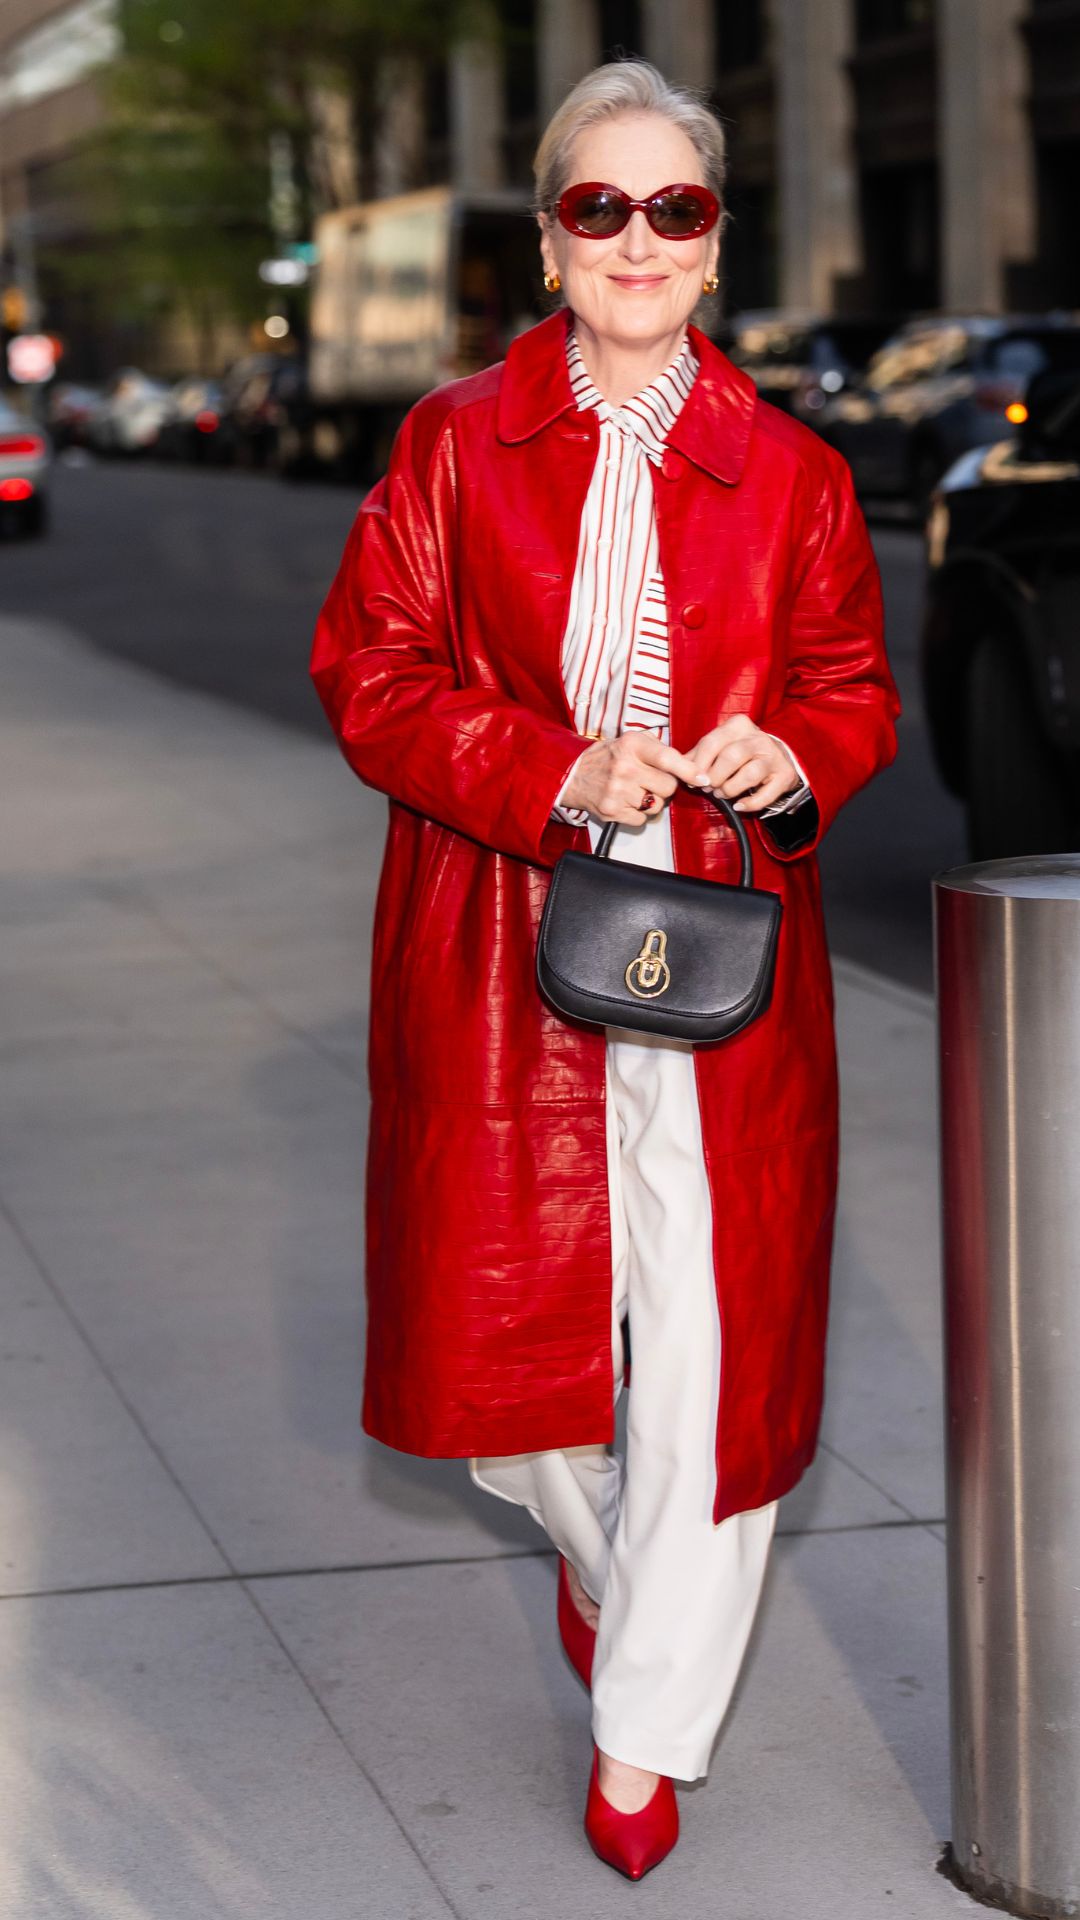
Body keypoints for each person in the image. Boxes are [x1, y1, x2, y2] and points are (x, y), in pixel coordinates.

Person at [310, 57, 900, 1882]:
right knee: (522, 1351)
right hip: (504, 929)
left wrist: (793, 756)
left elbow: (855, 691)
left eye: (678, 208)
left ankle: (645, 1732)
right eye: (599, 206)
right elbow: (372, 674)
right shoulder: (447, 446)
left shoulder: (795, 475)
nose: (639, 238)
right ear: (550, 243)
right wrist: (547, 765)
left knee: (710, 1350)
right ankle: (590, 1547)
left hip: (725, 930)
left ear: (715, 247)